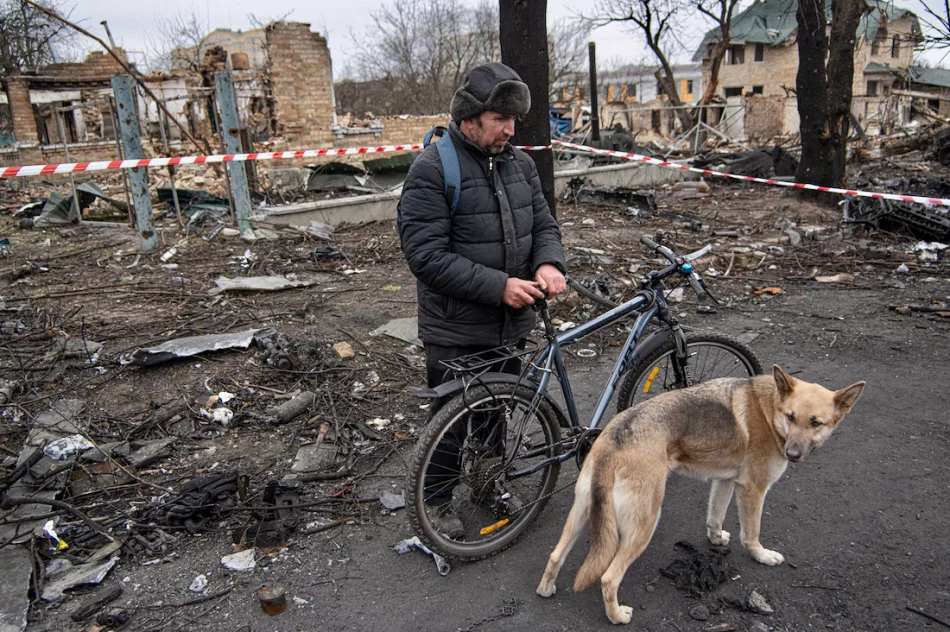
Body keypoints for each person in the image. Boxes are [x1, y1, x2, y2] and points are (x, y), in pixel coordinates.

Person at [397, 62, 566, 537]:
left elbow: (544, 226)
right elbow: (425, 256)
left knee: (495, 411)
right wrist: (499, 286)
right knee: (450, 422)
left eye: (514, 121)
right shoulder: (433, 169)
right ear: (470, 118)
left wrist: (549, 263)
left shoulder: (520, 165)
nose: (511, 130)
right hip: (455, 326)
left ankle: (487, 484)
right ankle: (435, 502)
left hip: (510, 322)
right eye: (501, 120)